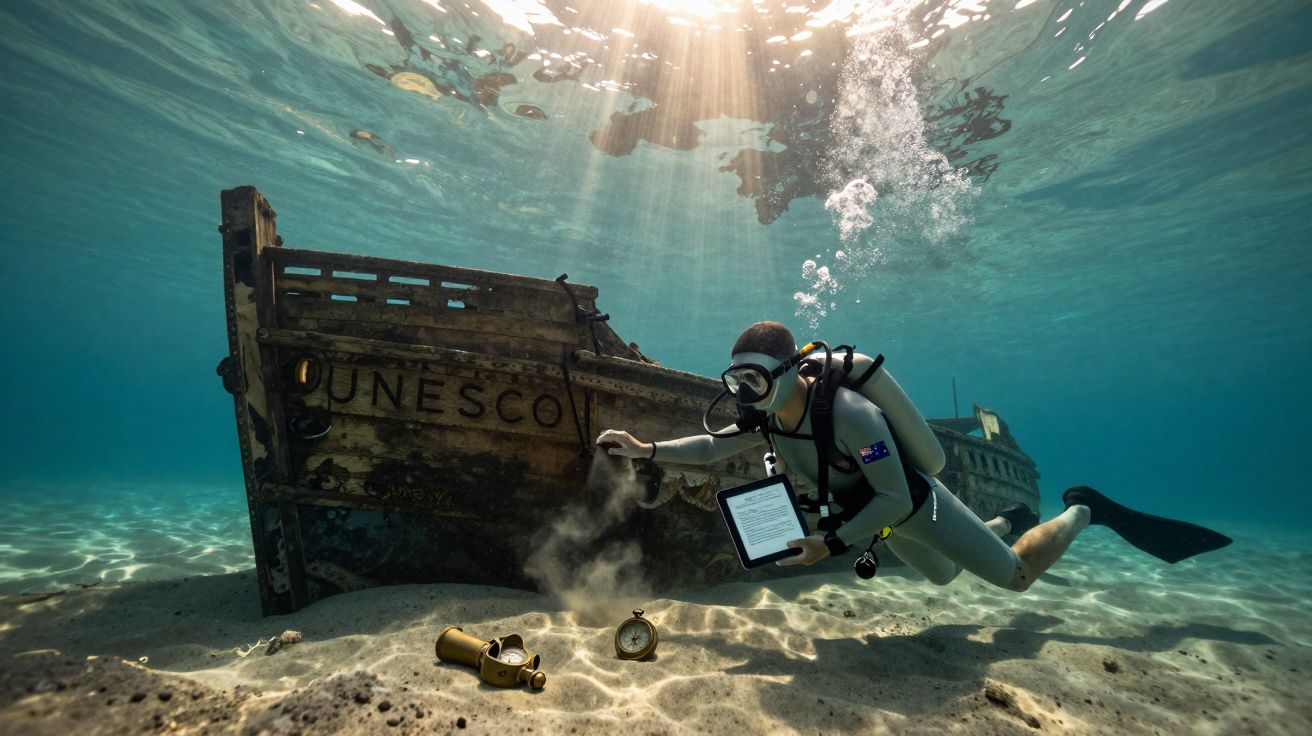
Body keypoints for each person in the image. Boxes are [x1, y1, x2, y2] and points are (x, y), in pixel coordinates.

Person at [596, 321, 1230, 591]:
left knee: (1013, 578)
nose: (745, 395)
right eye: (737, 382)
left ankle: (1082, 509)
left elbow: (896, 496)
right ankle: (1004, 519)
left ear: (790, 371)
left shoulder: (853, 416)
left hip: (912, 509)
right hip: (876, 521)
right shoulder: (764, 411)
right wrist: (647, 448)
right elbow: (713, 446)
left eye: (755, 381)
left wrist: (830, 543)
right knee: (945, 577)